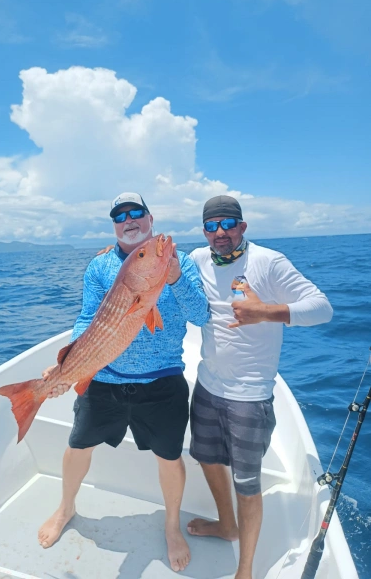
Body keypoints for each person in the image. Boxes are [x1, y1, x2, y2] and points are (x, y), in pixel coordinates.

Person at [38, 192, 210, 573]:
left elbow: (200, 315)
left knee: (170, 457)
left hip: (162, 380)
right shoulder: (100, 266)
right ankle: (66, 507)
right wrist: (70, 361)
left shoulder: (180, 264)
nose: (129, 219)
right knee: (78, 446)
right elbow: (88, 319)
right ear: (114, 225)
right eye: (120, 216)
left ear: (150, 218)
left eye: (137, 213)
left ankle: (171, 526)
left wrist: (176, 276)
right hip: (104, 377)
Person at [186, 195, 333, 579]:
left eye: (228, 224)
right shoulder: (198, 260)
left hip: (250, 396)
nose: (220, 232)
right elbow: (157, 270)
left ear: (242, 226)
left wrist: (267, 311)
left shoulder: (269, 263)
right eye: (211, 226)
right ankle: (226, 525)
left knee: (247, 482)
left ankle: (246, 569)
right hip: (206, 385)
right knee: (206, 458)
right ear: (204, 231)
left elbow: (322, 308)